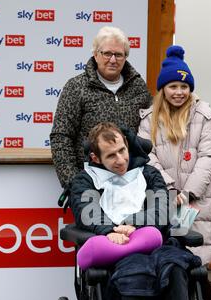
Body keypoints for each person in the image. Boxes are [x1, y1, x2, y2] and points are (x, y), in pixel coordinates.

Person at [70, 122, 206, 300]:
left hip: (155, 242)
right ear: (96, 157)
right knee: (135, 271)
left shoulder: (149, 173)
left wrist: (132, 224)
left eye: (123, 151)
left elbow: (161, 210)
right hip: (120, 250)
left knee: (177, 267)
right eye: (111, 156)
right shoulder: (85, 179)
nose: (120, 160)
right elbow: (86, 212)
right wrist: (110, 230)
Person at [137, 45, 211, 300]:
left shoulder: (204, 115)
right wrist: (169, 190)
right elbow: (145, 156)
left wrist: (187, 192)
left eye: (184, 86)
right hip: (164, 199)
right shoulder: (149, 119)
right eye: (173, 86)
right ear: (163, 89)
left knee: (194, 257)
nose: (179, 91)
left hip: (195, 201)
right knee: (169, 256)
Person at [50, 26, 152, 190]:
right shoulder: (76, 87)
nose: (113, 59)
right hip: (91, 185)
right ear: (96, 54)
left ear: (125, 57)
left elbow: (153, 129)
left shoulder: (138, 87)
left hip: (132, 184)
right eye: (107, 53)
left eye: (119, 54)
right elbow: (61, 137)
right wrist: (74, 184)